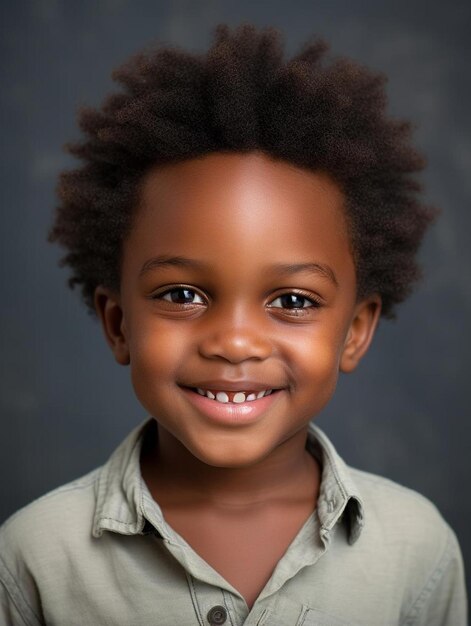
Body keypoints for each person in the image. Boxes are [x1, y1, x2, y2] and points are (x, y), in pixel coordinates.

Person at [0, 22, 467, 626]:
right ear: (118, 324)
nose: (235, 342)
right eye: (183, 293)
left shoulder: (417, 551)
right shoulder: (33, 559)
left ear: (354, 330)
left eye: (293, 301)